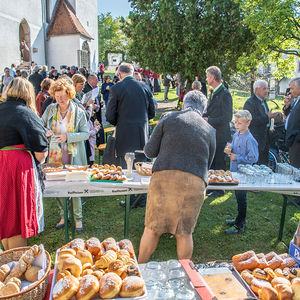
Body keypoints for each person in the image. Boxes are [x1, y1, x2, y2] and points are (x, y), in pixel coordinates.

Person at [138, 90, 216, 263]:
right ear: (203, 111)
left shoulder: (169, 117)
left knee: (152, 229)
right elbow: (207, 164)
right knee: (184, 233)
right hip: (195, 182)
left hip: (164, 178)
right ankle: (185, 274)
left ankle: (140, 269)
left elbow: (150, 151)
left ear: (183, 105)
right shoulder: (210, 130)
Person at [0, 77, 48, 250]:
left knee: (4, 213)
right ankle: (15, 265)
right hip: (16, 167)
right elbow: (41, 152)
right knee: (16, 218)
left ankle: (6, 259)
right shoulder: (26, 113)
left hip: (1, 165)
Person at [41, 78, 89, 231]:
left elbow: (86, 134)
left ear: (69, 94)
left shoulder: (78, 112)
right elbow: (40, 126)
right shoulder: (50, 109)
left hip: (73, 154)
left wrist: (68, 137)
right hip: (55, 154)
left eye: (62, 96)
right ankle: (63, 215)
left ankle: (78, 218)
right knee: (59, 184)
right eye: (56, 96)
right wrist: (45, 132)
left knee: (75, 185)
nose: (59, 99)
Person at [106, 62, 156, 207]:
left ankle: (131, 197)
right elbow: (152, 113)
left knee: (128, 166)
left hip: (125, 133)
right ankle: (142, 198)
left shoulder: (116, 88)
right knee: (142, 164)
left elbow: (109, 115)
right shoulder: (145, 87)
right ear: (132, 72)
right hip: (142, 133)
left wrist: (120, 123)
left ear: (120, 74)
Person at [225, 110, 259, 234]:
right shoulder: (236, 134)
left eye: (240, 123)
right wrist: (230, 150)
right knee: (238, 197)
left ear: (248, 123)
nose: (236, 125)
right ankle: (238, 219)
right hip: (234, 171)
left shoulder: (250, 140)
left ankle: (240, 225)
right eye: (235, 122)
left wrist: (237, 157)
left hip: (243, 173)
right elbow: (233, 148)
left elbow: (253, 158)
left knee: (241, 198)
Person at [203, 66, 233, 197]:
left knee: (219, 160)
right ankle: (213, 184)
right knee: (213, 160)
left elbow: (227, 117)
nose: (206, 79)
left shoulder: (225, 94)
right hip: (212, 132)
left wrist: (209, 120)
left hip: (220, 134)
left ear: (213, 78)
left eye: (207, 76)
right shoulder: (214, 92)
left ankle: (220, 188)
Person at [243, 80, 278, 165]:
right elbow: (251, 120)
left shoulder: (264, 101)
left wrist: (270, 126)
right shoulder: (250, 102)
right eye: (264, 89)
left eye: (267, 89)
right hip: (255, 139)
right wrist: (267, 117)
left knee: (264, 165)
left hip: (265, 139)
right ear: (256, 90)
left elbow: (264, 118)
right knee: (255, 165)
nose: (266, 91)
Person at [286, 77, 300, 168]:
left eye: (292, 88)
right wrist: (287, 107)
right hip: (293, 142)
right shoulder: (296, 100)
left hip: (297, 142)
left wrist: (297, 138)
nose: (290, 91)